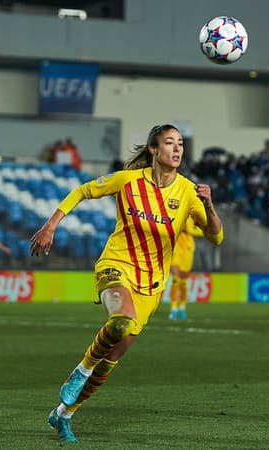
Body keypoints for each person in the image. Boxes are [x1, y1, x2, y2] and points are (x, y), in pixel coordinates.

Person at [30, 124, 223, 443]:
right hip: (116, 265)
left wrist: (210, 205)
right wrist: (51, 225)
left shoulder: (188, 192)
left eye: (180, 144)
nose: (177, 149)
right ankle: (80, 370)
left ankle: (64, 414)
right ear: (153, 149)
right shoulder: (128, 180)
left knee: (112, 361)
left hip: (152, 285)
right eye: (169, 143)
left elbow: (216, 236)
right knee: (120, 322)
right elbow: (83, 190)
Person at [168, 217, 204, 320]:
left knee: (183, 281)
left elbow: (202, 231)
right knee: (175, 280)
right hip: (176, 247)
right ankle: (173, 309)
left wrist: (187, 229)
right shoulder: (177, 210)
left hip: (187, 249)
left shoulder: (194, 216)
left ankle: (182, 308)